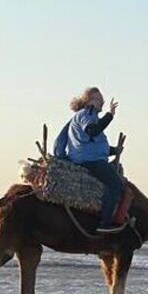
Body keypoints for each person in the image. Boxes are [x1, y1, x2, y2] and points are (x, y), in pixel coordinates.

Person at [53, 87, 124, 233]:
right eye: (98, 99)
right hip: (91, 162)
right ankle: (104, 223)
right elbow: (92, 130)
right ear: (88, 101)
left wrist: (114, 151)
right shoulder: (87, 113)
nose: (102, 102)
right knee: (116, 184)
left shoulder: (86, 116)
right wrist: (110, 115)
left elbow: (92, 143)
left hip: (90, 158)